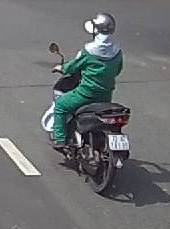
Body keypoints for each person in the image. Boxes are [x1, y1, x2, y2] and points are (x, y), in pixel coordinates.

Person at [50, 13, 123, 149]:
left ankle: (59, 139)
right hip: (106, 95)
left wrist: (61, 68)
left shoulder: (89, 51)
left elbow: (72, 66)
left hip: (85, 94)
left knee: (60, 106)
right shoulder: (117, 51)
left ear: (96, 31)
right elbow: (118, 70)